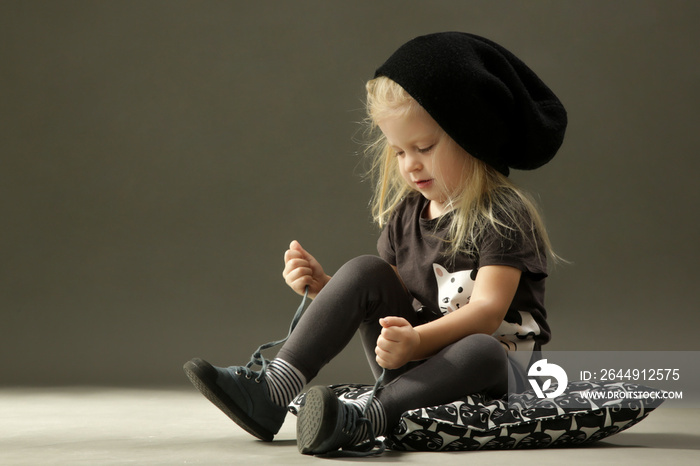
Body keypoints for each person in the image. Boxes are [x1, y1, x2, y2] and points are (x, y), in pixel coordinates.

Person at [184, 31, 567, 457]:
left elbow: (487, 312)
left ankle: (370, 417)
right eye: (399, 151)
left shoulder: (502, 214)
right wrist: (325, 287)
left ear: (474, 137)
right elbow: (388, 297)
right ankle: (274, 390)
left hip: (492, 371)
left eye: (423, 147)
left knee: (481, 348)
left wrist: (418, 343)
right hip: (415, 360)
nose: (410, 165)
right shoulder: (408, 215)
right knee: (366, 269)